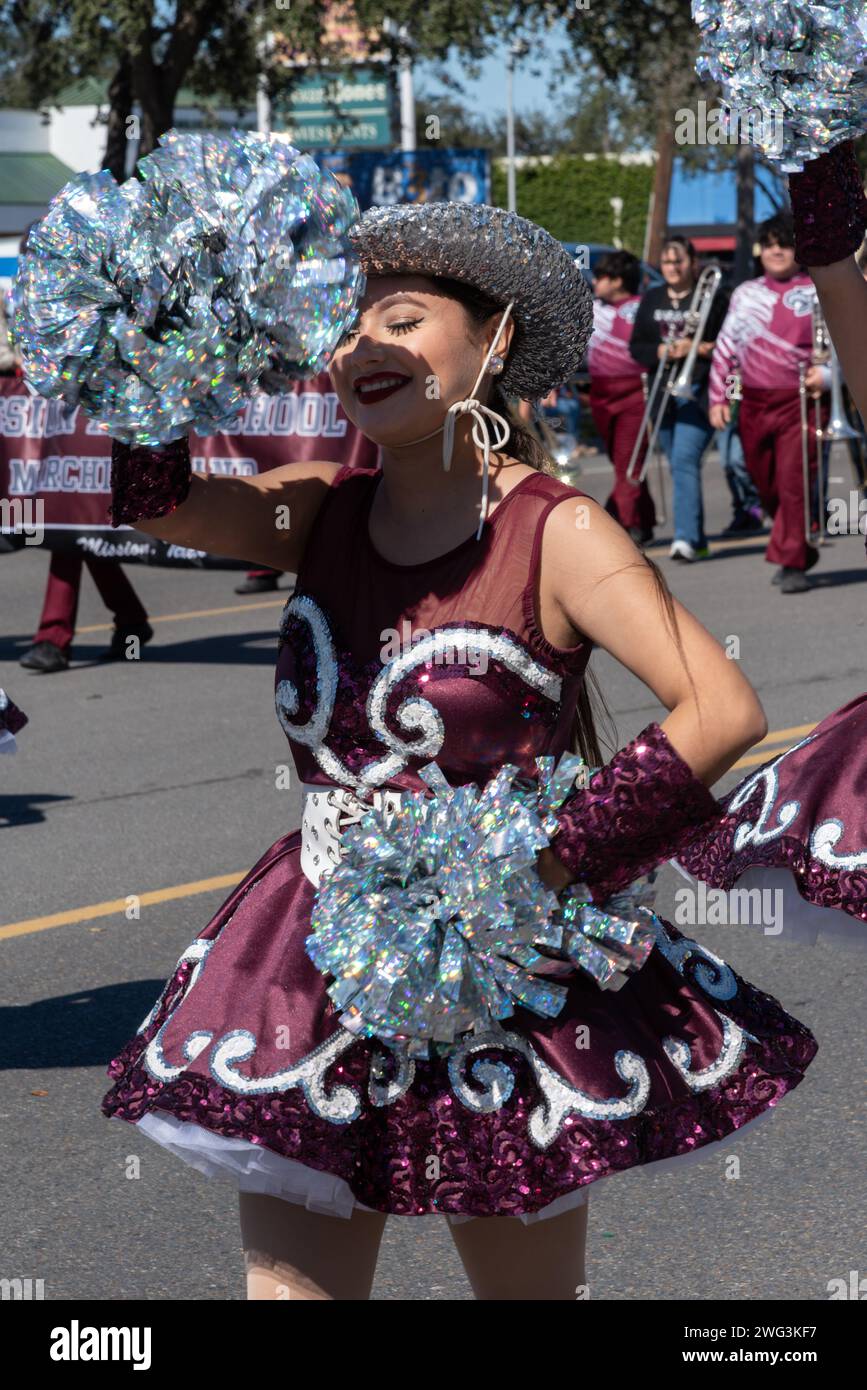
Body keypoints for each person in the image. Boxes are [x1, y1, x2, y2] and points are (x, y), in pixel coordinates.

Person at [99, 202, 822, 1303]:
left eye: (401, 317)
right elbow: (154, 502)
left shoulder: (558, 529)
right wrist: (159, 338)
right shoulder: (316, 513)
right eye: (350, 326)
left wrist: (539, 865)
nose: (363, 347)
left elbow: (717, 706)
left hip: (501, 966)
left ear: (491, 343)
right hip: (315, 956)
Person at [13, 223, 154, 673]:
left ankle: (53, 637)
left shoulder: (96, 294)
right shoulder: (32, 300)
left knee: (69, 519)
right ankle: (130, 621)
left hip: (93, 421)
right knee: (76, 525)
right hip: (48, 422)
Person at [708, 214, 829, 595]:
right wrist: (721, 396)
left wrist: (825, 377)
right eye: (771, 243)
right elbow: (728, 351)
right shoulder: (745, 293)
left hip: (801, 402)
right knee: (766, 483)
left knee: (795, 482)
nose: (777, 250)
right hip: (754, 402)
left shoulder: (818, 291)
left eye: (786, 243)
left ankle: (793, 562)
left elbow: (842, 346)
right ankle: (794, 542)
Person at [629, 235, 728, 562]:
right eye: (668, 262)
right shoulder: (652, 297)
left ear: (692, 262)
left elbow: (729, 341)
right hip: (662, 392)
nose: (673, 267)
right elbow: (637, 346)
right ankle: (696, 539)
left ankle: (684, 538)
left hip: (698, 390)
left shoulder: (712, 297)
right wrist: (661, 350)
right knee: (677, 463)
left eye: (679, 261)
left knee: (685, 459)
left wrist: (696, 348)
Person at [587, 249, 657, 545]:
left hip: (635, 392)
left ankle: (621, 527)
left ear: (617, 281)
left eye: (602, 277)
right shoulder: (590, 309)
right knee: (622, 462)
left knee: (630, 461)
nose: (596, 282)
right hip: (600, 392)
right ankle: (644, 519)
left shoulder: (643, 307)